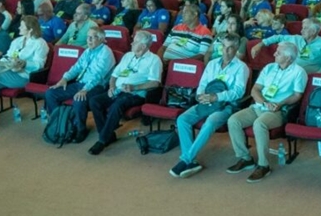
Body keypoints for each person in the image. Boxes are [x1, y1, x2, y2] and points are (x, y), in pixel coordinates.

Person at [170, 33, 250, 178]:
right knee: (182, 119)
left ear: (237, 49)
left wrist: (216, 97)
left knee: (210, 121)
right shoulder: (212, 64)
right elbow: (202, 84)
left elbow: (238, 92)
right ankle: (191, 160)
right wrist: (201, 96)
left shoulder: (241, 67)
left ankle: (186, 159)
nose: (226, 51)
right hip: (206, 101)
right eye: (224, 47)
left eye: (231, 48)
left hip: (226, 105)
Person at [226, 42, 308, 183]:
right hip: (260, 106)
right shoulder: (269, 67)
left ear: (288, 58)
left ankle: (263, 165)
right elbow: (255, 89)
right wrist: (264, 102)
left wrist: (279, 103)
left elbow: (297, 95)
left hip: (278, 111)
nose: (274, 54)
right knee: (233, 120)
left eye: (279, 52)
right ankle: (245, 158)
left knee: (259, 124)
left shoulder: (298, 72)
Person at [87, 30, 163, 155]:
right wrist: (111, 87)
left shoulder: (154, 60)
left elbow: (155, 83)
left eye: (135, 41)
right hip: (117, 90)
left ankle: (102, 140)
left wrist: (134, 87)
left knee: (117, 105)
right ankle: (108, 134)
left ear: (143, 46)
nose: (132, 43)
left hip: (135, 94)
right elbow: (114, 75)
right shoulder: (128, 56)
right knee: (94, 101)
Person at [44, 26, 115, 143]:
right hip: (80, 83)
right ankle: (60, 122)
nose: (89, 40)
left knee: (79, 99)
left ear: (101, 39)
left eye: (92, 37)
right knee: (51, 93)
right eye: (88, 37)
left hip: (97, 86)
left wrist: (85, 89)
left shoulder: (105, 53)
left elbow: (97, 76)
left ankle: (80, 129)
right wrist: (64, 79)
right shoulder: (88, 51)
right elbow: (76, 67)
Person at [253, 16, 321, 73]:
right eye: (302, 28)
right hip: (289, 73)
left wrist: (314, 78)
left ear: (314, 31)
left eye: (305, 28)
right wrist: (260, 44)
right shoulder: (296, 38)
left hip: (307, 76)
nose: (301, 31)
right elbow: (278, 37)